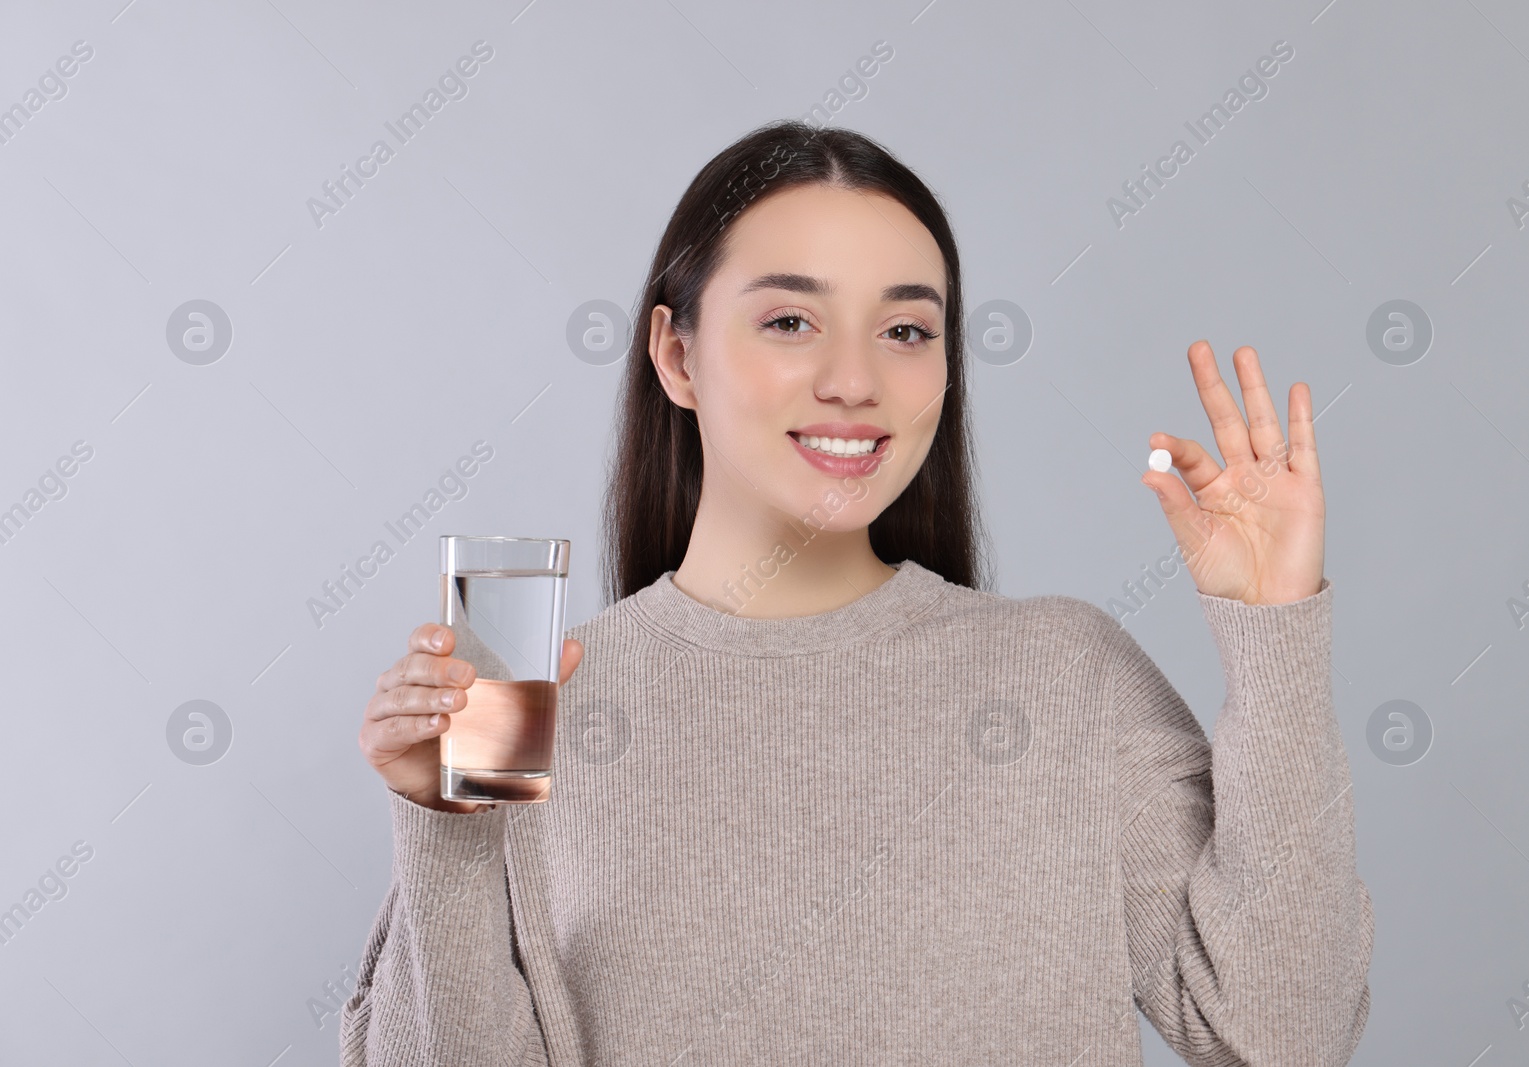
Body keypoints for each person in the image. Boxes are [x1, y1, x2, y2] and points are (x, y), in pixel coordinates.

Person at [342, 120, 1373, 1065]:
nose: (853, 379)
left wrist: (1273, 630)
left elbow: (1280, 1034)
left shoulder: (1066, 670)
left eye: (906, 330)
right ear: (676, 352)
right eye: (790, 320)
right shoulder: (526, 701)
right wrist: (447, 826)